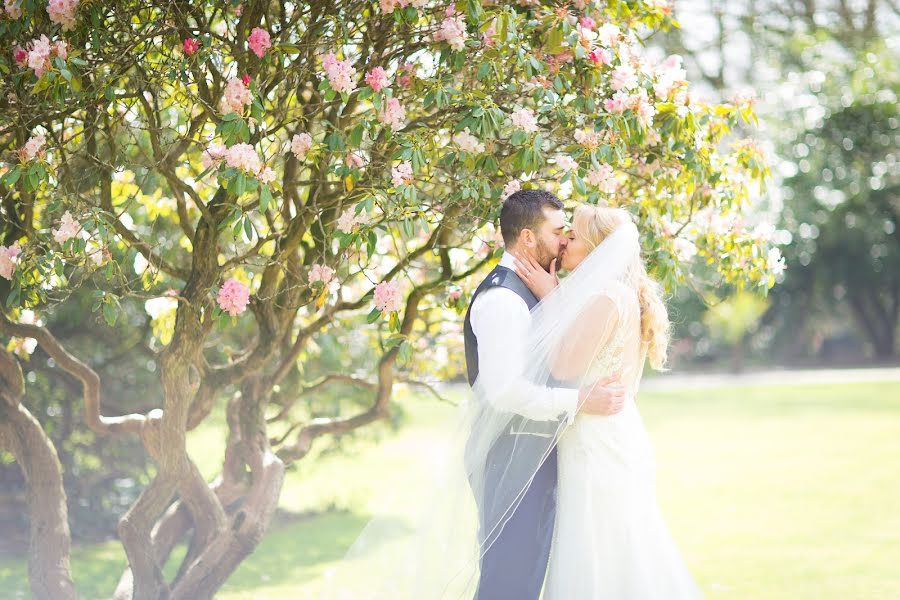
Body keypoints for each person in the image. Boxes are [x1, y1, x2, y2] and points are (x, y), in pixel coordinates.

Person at [512, 203, 704, 599]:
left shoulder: (607, 296)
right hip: (601, 431)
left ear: (598, 250)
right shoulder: (605, 294)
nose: (564, 241)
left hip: (598, 441)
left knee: (603, 550)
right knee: (610, 546)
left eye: (574, 236)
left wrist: (551, 298)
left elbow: (564, 365)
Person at [463, 190, 629, 600]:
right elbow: (505, 393)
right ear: (527, 239)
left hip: (532, 458)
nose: (564, 241)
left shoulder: (533, 292)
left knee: (524, 580)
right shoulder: (504, 299)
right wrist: (578, 402)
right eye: (558, 232)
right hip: (511, 461)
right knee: (508, 585)